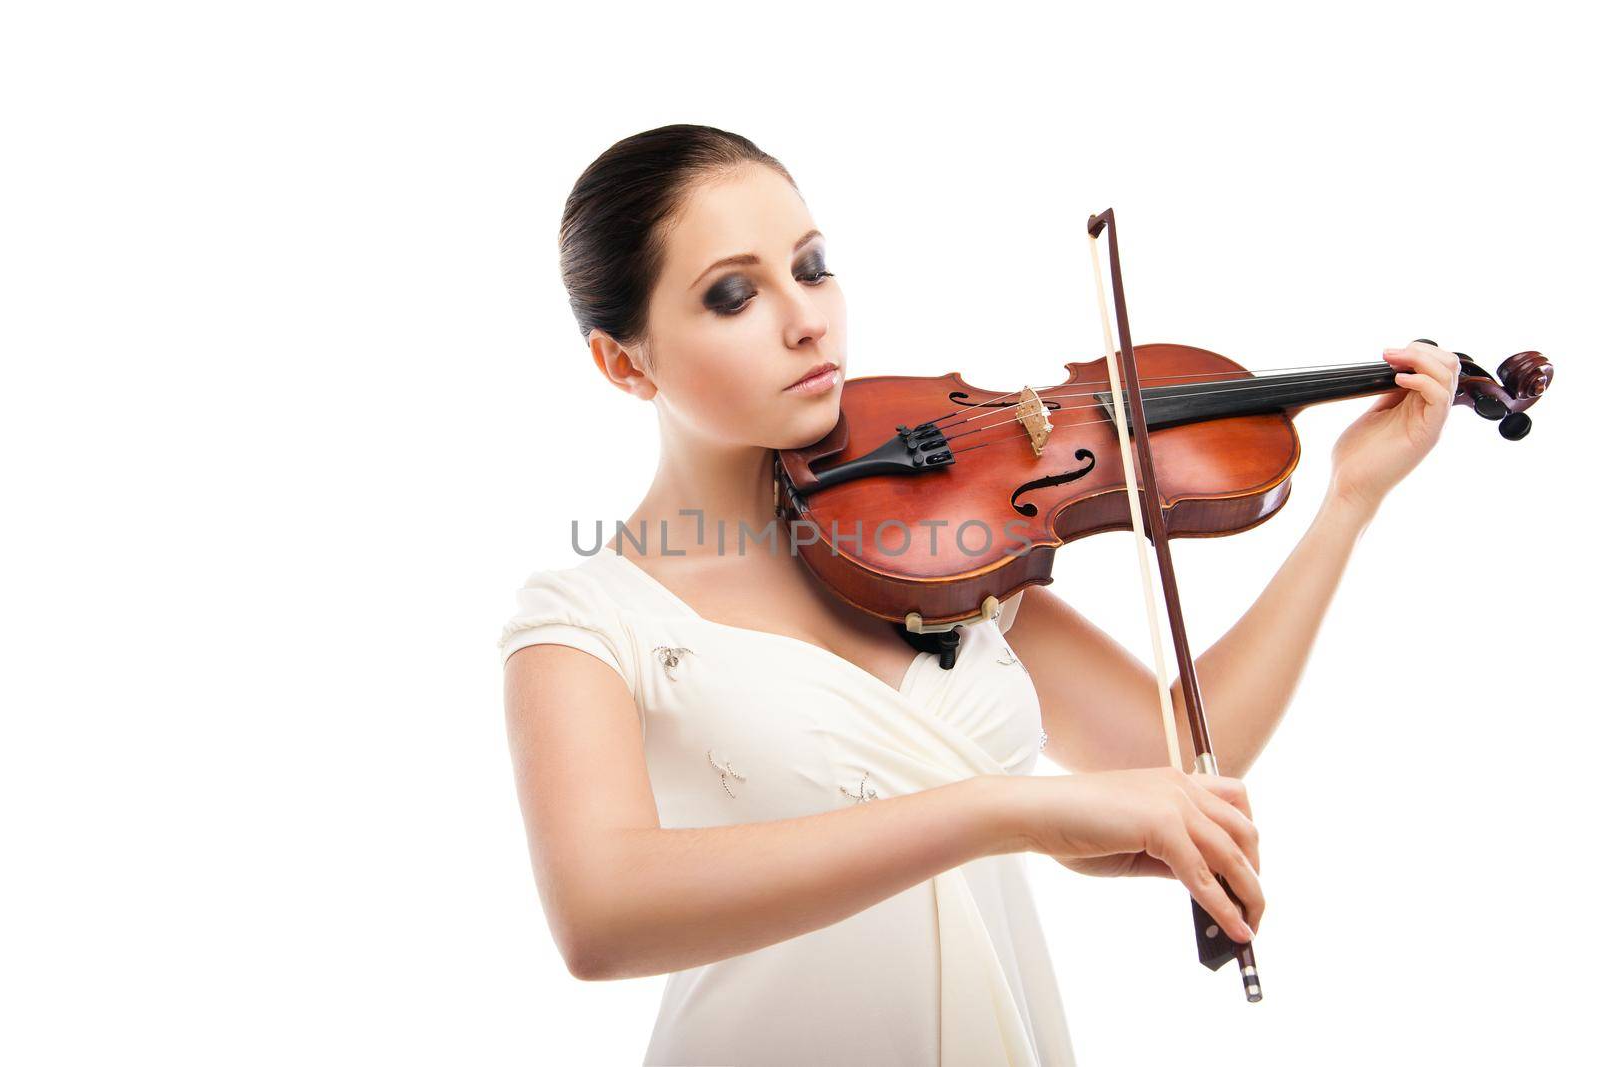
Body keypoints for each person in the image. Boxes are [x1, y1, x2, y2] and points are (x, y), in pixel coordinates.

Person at [499, 124, 1461, 1066]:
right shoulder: (584, 619)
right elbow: (601, 917)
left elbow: (1170, 743)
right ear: (625, 363)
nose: (807, 317)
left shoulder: (928, 541)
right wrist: (1008, 813)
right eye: (734, 293)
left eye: (813, 264)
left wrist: (1348, 500)